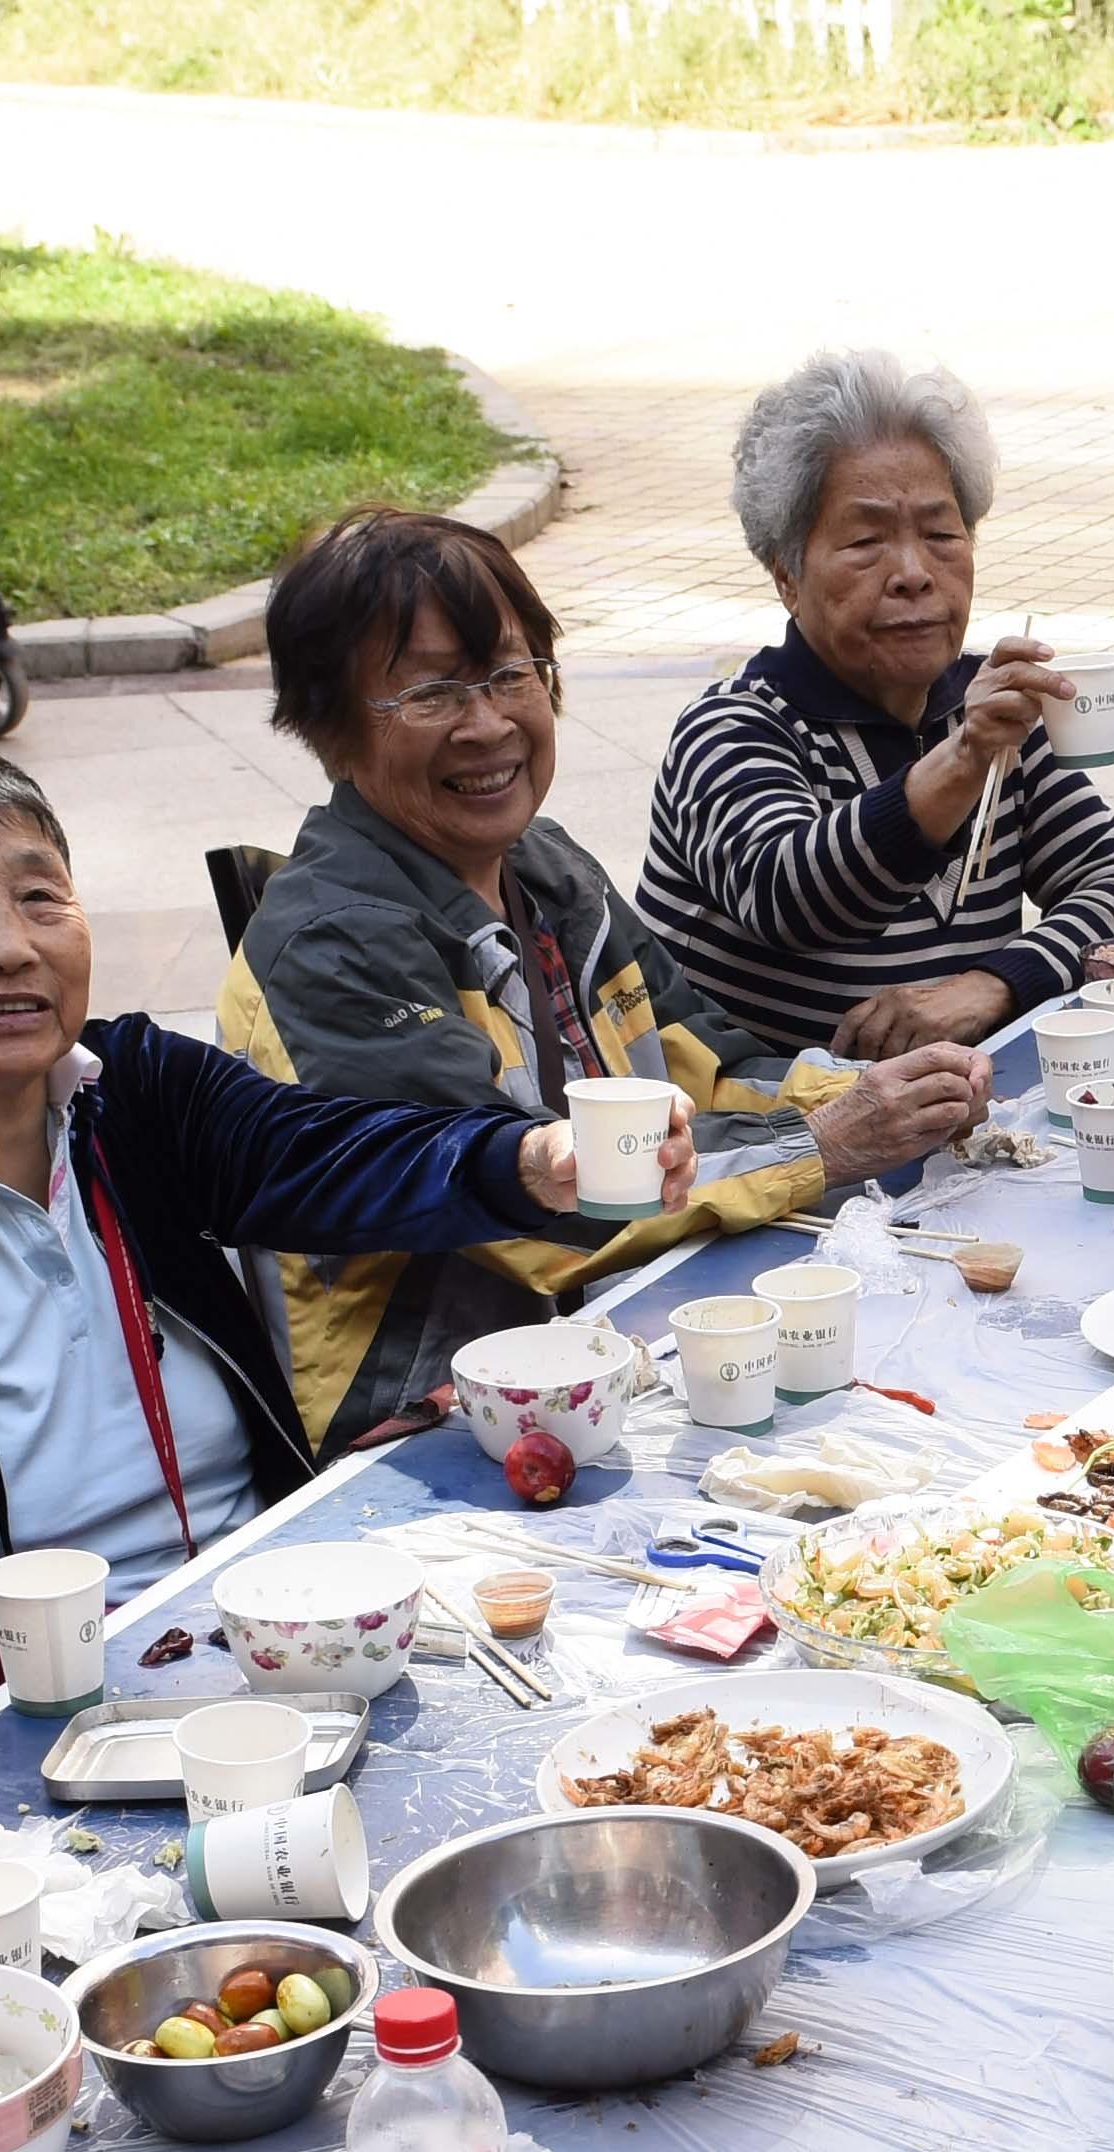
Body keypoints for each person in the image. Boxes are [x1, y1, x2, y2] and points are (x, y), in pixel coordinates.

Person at [0, 737, 732, 1818]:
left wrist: (522, 1162)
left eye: (41, 897)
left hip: (268, 1622)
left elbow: (324, 1150)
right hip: (27, 1723)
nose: (7, 948)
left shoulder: (129, 1093)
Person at [224, 511, 980, 1466]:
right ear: (328, 730)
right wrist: (818, 1145)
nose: (489, 724)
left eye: (511, 674)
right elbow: (546, 1210)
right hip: (431, 1420)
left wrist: (883, 1098)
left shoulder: (545, 866)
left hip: (616, 1343)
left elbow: (706, 1058)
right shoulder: (333, 945)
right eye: (431, 692)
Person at [640, 349, 1114, 1058]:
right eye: (865, 541)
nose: (915, 574)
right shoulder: (734, 728)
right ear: (786, 577)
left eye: (942, 533)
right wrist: (964, 760)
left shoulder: (990, 714)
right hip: (768, 1138)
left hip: (961, 1135)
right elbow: (788, 893)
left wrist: (991, 985)